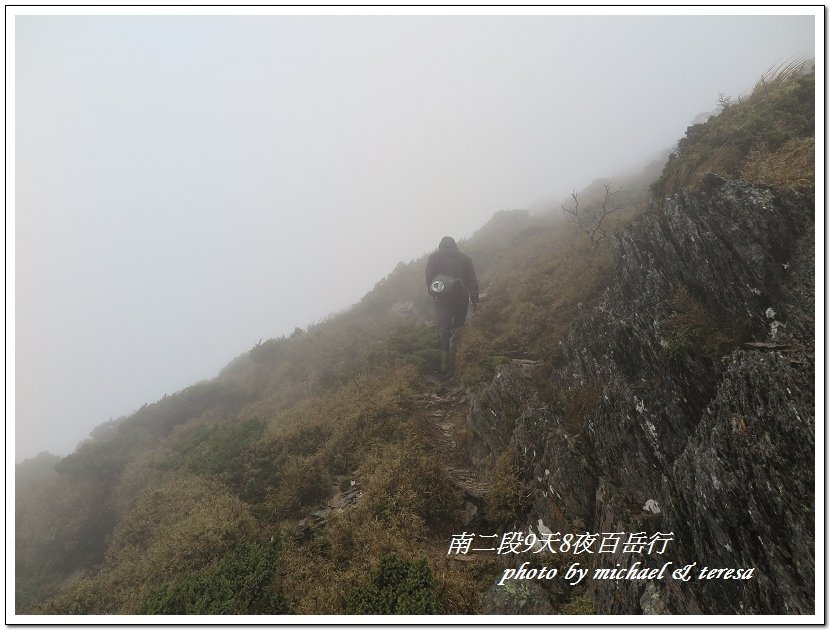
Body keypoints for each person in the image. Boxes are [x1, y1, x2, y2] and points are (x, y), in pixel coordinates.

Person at [425, 236, 479, 372]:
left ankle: (444, 366)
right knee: (459, 325)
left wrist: (433, 293)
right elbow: (472, 280)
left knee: (444, 330)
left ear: (441, 245)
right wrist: (475, 299)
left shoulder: (434, 257)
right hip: (461, 296)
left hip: (441, 297)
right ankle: (461, 357)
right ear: (454, 245)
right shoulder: (465, 258)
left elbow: (429, 279)